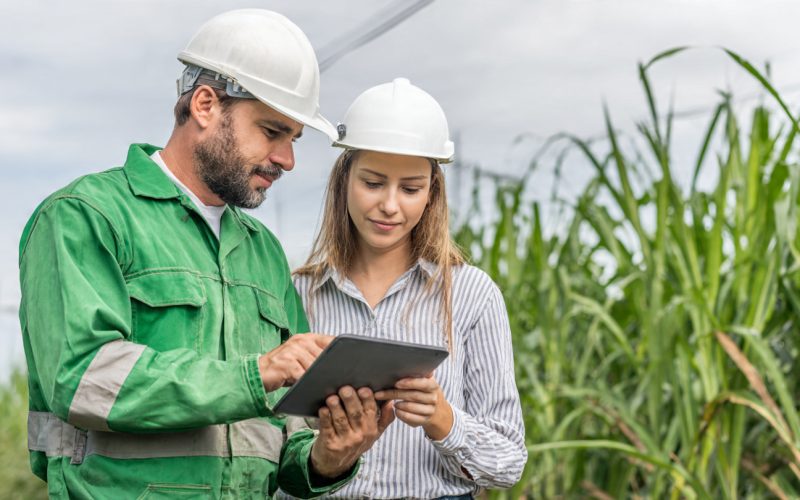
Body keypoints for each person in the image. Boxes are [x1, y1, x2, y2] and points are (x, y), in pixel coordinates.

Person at [18, 9, 393, 499]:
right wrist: (255, 373)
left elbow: (287, 439)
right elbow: (84, 379)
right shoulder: (86, 217)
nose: (287, 159)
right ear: (205, 104)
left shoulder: (263, 253)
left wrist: (331, 455)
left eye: (294, 140)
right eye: (272, 131)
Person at [290, 78, 528, 498]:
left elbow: (508, 462)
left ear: (432, 193)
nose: (390, 205)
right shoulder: (298, 293)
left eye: (411, 188)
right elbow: (265, 443)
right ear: (343, 180)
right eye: (373, 182)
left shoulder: (471, 295)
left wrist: (443, 419)